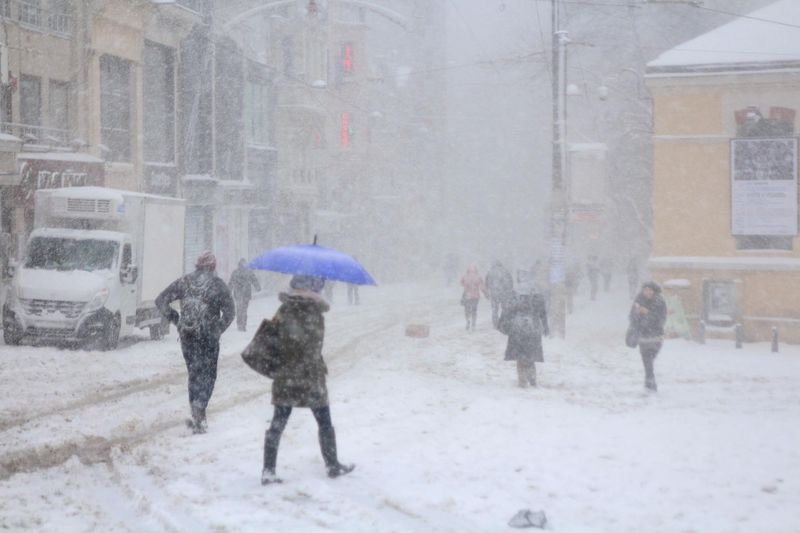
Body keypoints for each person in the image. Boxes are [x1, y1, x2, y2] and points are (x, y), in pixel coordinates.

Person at [260, 275, 354, 484]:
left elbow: (273, 341)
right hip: (311, 377)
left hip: (286, 376)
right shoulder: (314, 312)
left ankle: (268, 470)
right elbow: (314, 345)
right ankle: (332, 464)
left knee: (277, 423)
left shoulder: (284, 310)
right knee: (324, 422)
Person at [156, 251, 235, 434]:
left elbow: (160, 300)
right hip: (208, 338)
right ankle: (200, 407)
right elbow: (230, 312)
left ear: (197, 265)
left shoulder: (184, 282)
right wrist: (218, 329)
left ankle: (196, 411)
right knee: (209, 375)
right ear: (213, 267)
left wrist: (176, 319)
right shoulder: (218, 285)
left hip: (188, 335)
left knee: (194, 374)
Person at [498, 283, 549, 388]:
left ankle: (522, 380)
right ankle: (532, 378)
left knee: (520, 356)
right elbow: (543, 313)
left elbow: (507, 312)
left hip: (518, 329)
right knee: (530, 356)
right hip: (533, 329)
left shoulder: (514, 297)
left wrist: (503, 325)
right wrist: (545, 326)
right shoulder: (537, 297)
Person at [629, 281, 667, 392]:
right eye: (645, 290)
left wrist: (647, 313)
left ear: (654, 291)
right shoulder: (639, 300)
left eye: (650, 290)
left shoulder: (659, 302)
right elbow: (632, 318)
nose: (647, 292)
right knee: (646, 359)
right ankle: (650, 381)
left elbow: (660, 320)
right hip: (643, 336)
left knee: (650, 358)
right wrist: (636, 313)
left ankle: (649, 380)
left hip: (656, 336)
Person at [229, 258, 261, 331]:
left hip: (238, 294)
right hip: (246, 294)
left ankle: (240, 324)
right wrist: (257, 287)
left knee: (239, 309)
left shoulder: (236, 272)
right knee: (244, 310)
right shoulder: (248, 271)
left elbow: (231, 282)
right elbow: (254, 280)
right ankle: (243, 324)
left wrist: (229, 291)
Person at [485, 260, 513, 328]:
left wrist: (488, 289)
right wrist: (509, 290)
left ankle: (495, 323)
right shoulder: (505, 271)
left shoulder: (491, 271)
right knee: (504, 308)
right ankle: (504, 322)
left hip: (494, 293)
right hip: (504, 293)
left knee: (494, 309)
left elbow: (487, 282)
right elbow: (510, 281)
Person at [460, 264, 486, 331]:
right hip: (475, 296)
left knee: (467, 309)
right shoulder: (478, 277)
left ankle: (468, 320)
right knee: (474, 310)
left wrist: (466, 287)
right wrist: (485, 293)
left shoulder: (465, 276)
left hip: (467, 295)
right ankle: (473, 323)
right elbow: (482, 287)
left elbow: (461, 283)